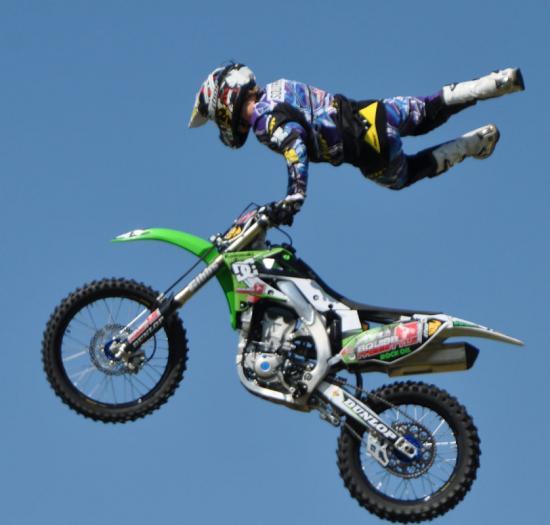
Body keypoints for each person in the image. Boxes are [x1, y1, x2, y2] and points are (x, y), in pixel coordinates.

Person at [188, 63, 524, 222]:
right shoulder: (279, 86)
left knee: (402, 177)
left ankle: (470, 145)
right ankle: (494, 82)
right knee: (428, 109)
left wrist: (295, 193)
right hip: (372, 112)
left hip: (368, 151)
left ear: (224, 101)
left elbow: (295, 144)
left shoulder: (263, 122)